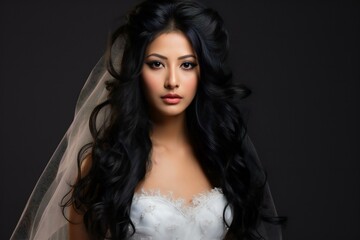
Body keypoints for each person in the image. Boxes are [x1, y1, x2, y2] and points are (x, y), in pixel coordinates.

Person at [11, 0, 284, 239]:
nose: (172, 81)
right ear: (136, 70)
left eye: (187, 64)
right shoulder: (107, 162)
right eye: (156, 63)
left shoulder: (223, 157)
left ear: (203, 72)